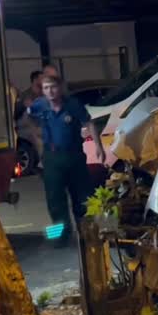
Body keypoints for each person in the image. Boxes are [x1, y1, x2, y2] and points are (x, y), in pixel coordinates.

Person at [29, 76, 106, 246]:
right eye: (46, 88)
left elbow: (89, 123)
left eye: (53, 87)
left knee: (83, 197)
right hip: (52, 158)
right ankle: (59, 237)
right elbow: (29, 118)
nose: (50, 91)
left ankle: (87, 232)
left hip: (74, 156)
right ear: (43, 90)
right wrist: (37, 139)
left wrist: (98, 146)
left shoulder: (72, 104)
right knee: (55, 200)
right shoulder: (40, 105)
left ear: (60, 88)